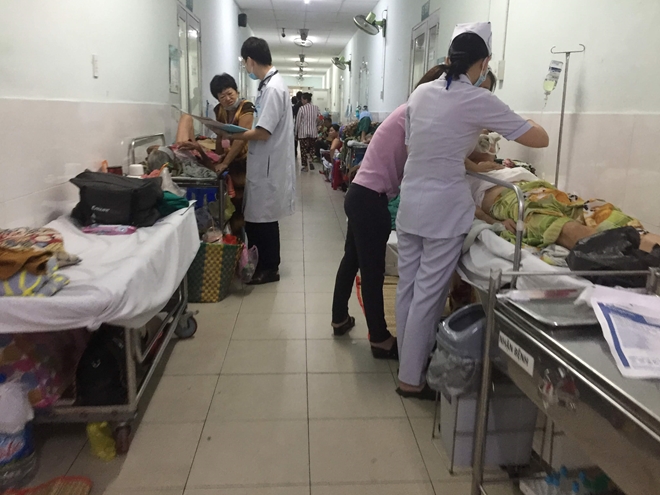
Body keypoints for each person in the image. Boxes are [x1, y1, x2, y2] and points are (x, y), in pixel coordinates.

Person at [395, 22, 549, 399]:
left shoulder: (421, 93)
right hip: (443, 209)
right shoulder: (478, 98)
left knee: (408, 288)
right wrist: (525, 121)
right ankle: (411, 379)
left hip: (411, 201)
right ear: (483, 64)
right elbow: (540, 139)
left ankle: (406, 366)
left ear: (448, 59)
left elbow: (417, 145)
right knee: (428, 295)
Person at [330, 64, 501, 359]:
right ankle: (380, 339)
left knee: (352, 259)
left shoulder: (410, 111)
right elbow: (441, 156)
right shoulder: (418, 117)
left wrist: (479, 157)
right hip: (371, 199)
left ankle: (339, 318)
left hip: (359, 194)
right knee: (372, 271)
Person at [221, 37, 296, 285]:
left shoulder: (273, 88)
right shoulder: (268, 86)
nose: (246, 67)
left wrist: (234, 134)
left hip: (268, 166)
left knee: (263, 220)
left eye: (245, 63)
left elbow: (263, 132)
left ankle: (269, 268)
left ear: (251, 60)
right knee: (259, 219)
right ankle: (261, 265)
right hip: (264, 164)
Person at [296, 92, 320, 172]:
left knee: (304, 150)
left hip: (303, 133)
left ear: (305, 100)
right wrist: (317, 125)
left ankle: (306, 167)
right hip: (313, 133)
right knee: (312, 148)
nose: (301, 101)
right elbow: (320, 118)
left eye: (302, 100)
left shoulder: (301, 109)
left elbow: (298, 122)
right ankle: (310, 158)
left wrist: (296, 133)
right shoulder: (316, 108)